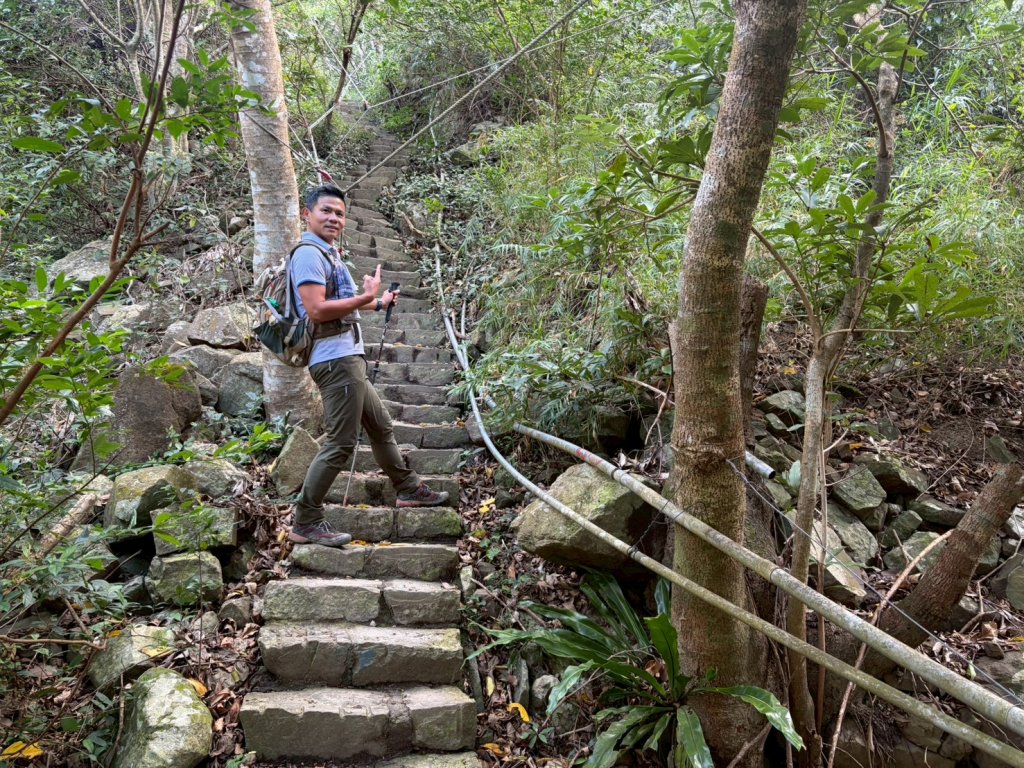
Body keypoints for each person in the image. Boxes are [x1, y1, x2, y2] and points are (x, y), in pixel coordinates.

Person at [288, 184, 449, 547]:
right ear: (307, 214)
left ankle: (407, 488)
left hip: (347, 358)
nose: (334, 218)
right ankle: (306, 519)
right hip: (335, 360)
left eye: (340, 213)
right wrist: (365, 297)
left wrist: (377, 303)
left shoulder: (327, 253)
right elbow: (315, 309)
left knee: (380, 426)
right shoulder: (309, 255)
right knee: (342, 443)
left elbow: (339, 307)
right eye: (326, 211)